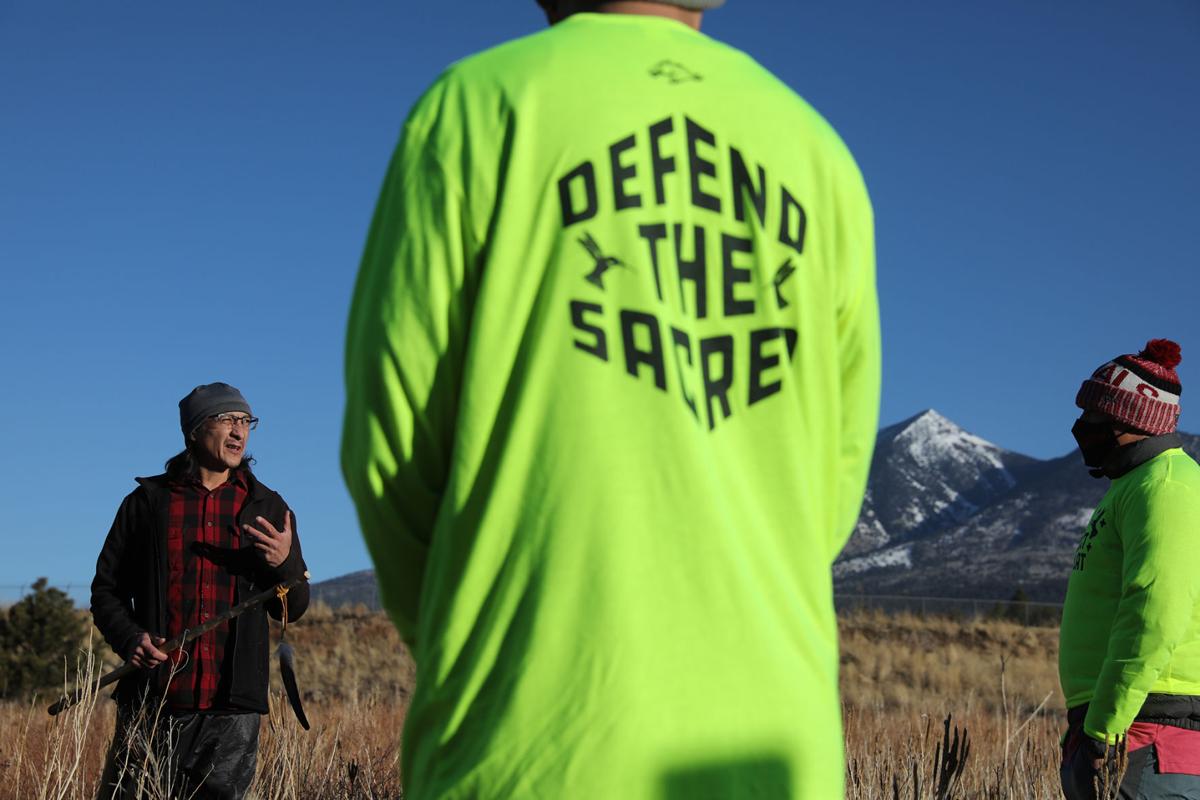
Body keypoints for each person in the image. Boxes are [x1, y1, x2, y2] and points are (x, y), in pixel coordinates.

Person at [341, 1, 879, 797]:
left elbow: (391, 449)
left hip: (531, 742)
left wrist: (479, 642)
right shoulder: (818, 152)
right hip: (778, 745)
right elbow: (832, 487)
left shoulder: (480, 105)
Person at [91, 383, 309, 800]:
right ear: (193, 430)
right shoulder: (146, 505)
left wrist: (286, 564)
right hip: (154, 702)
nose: (238, 432)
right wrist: (130, 637)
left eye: (246, 422)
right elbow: (106, 591)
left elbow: (292, 609)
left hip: (232, 710)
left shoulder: (268, 507)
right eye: (226, 419)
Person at [1060, 339, 1200, 800]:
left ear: (1130, 422)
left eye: (1096, 417)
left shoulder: (1165, 488)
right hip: (1124, 727)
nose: (1082, 428)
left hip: (1145, 729)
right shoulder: (1132, 488)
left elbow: (1154, 611)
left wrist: (1105, 725)